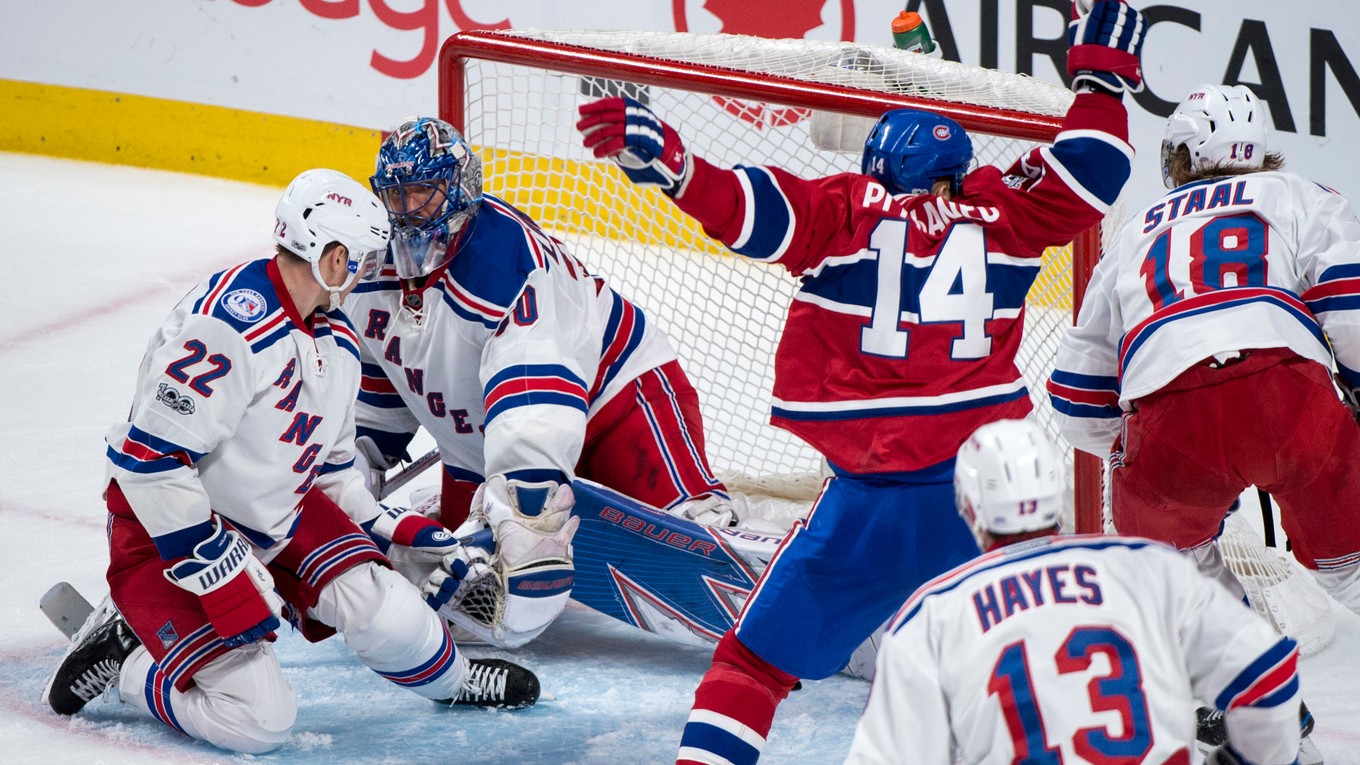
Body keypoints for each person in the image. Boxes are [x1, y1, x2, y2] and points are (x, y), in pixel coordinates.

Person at [577, 2, 1145, 761]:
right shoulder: (1007, 211)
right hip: (982, 509)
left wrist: (680, 171)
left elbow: (754, 211)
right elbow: (1095, 171)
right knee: (1024, 683)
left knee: (750, 666)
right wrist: (1101, 81)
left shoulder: (845, 209)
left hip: (862, 509)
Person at [42, 169, 538, 755]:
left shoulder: (337, 339)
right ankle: (131, 664)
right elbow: (148, 462)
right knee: (261, 721)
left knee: (389, 611)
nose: (371, 271)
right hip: (169, 532)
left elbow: (327, 469)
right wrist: (215, 562)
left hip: (277, 516)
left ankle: (454, 682)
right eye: (361, 257)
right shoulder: (228, 327)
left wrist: (386, 528)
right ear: (330, 257)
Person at [347, 116, 738, 647]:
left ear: (459, 189)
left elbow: (535, 400)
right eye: (397, 196)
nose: (409, 211)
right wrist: (351, 479)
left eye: (424, 192)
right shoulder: (369, 272)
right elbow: (377, 399)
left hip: (616, 405)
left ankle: (739, 537)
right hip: (478, 451)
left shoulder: (509, 266)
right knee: (457, 600)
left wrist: (528, 508)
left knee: (692, 528)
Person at [1047, 82, 1360, 615]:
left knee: (1175, 584)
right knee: (1352, 568)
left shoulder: (1132, 236)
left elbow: (1075, 395)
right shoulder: (1298, 193)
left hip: (1173, 420)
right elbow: (1348, 298)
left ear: (1183, 154)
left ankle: (1239, 682)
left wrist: (1133, 448)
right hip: (1291, 399)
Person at [844, 419, 1306, 765]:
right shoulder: (1148, 568)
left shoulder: (932, 614)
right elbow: (1269, 678)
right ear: (1054, 489)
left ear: (967, 505)